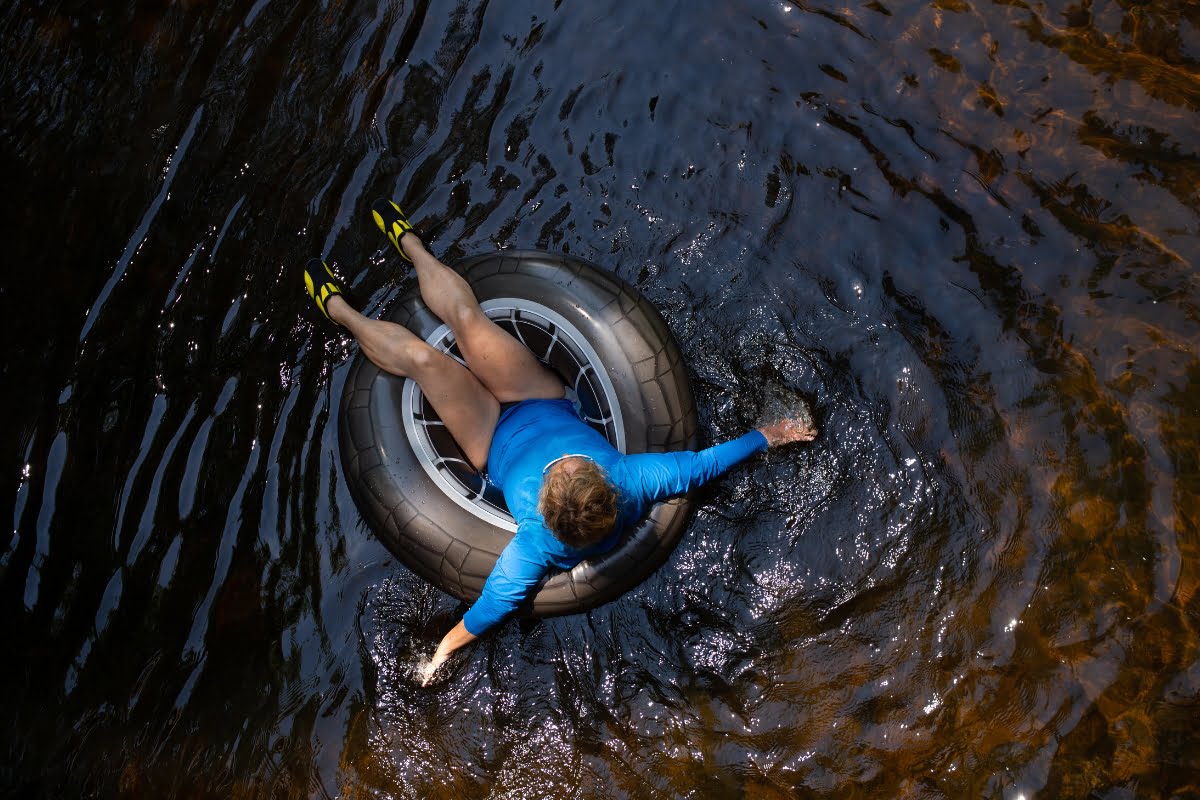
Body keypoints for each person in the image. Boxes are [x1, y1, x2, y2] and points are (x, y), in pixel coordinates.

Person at [304, 199, 818, 685]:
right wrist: (771, 434)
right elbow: (706, 464)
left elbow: (489, 609)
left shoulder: (536, 547)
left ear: (547, 509)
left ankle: (340, 311)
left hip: (487, 438)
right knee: (467, 321)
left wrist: (440, 652)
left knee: (424, 361)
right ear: (602, 483)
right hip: (539, 396)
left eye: (554, 476)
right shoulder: (632, 480)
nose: (559, 467)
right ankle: (412, 246)